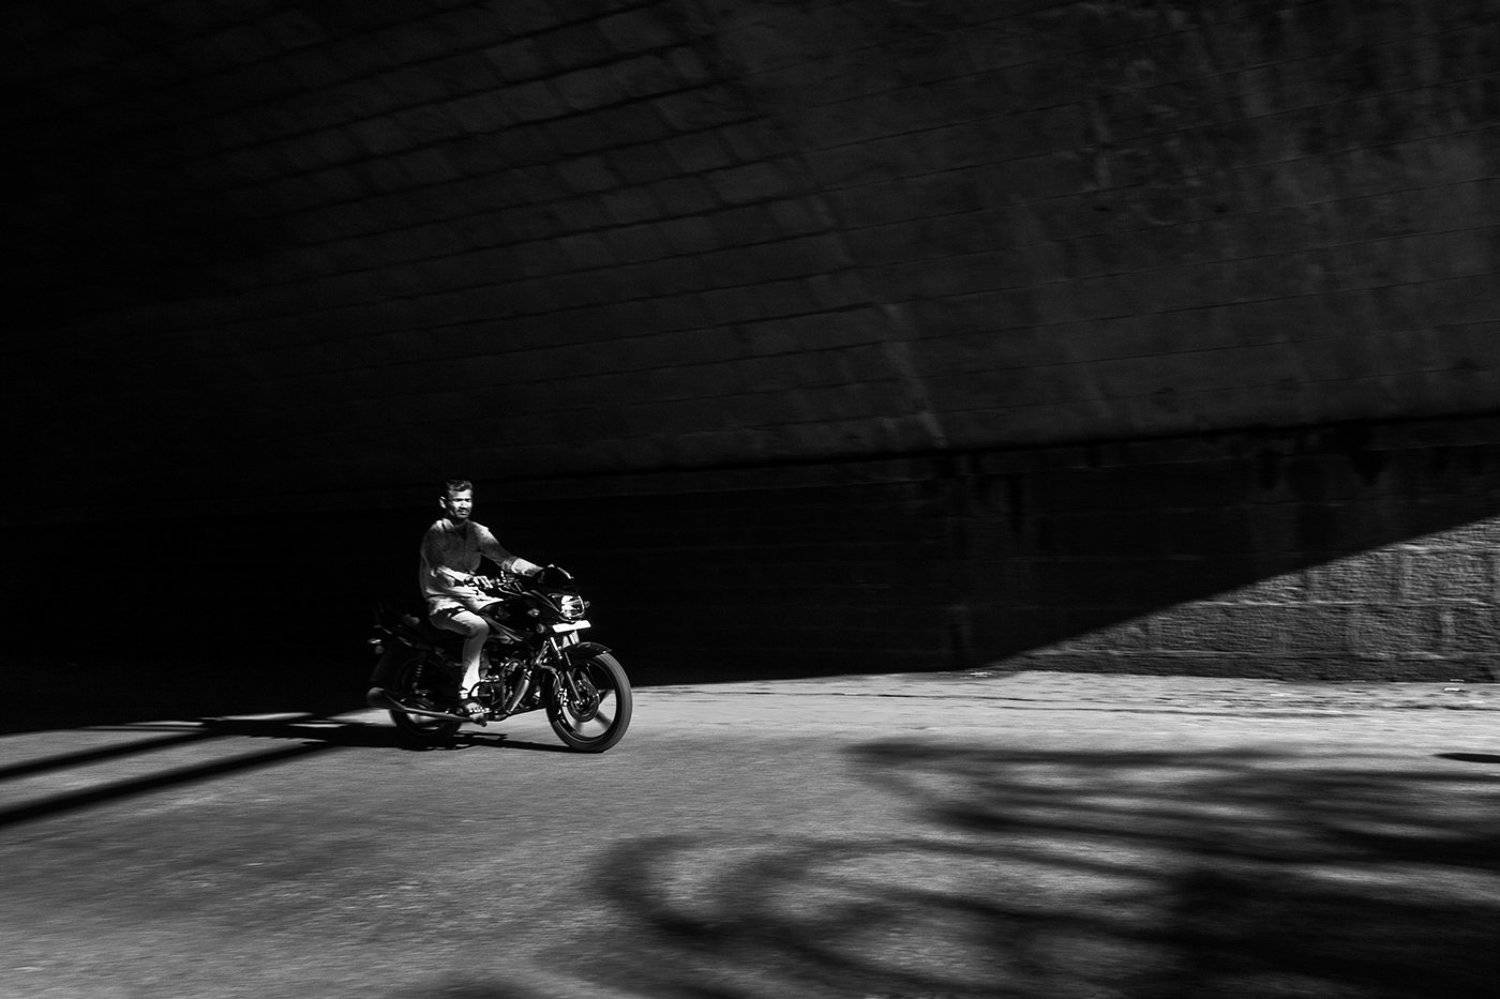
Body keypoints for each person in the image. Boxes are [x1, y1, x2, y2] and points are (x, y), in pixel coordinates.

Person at [367, 478, 542, 718]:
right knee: (479, 628)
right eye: (458, 500)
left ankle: (516, 682)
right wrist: (467, 579)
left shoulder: (478, 532)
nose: (464, 505)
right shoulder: (436, 533)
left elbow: (506, 559)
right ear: (444, 502)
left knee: (518, 619)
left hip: (475, 599)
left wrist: (540, 571)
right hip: (443, 603)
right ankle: (467, 694)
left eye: (468, 500)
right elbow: (438, 570)